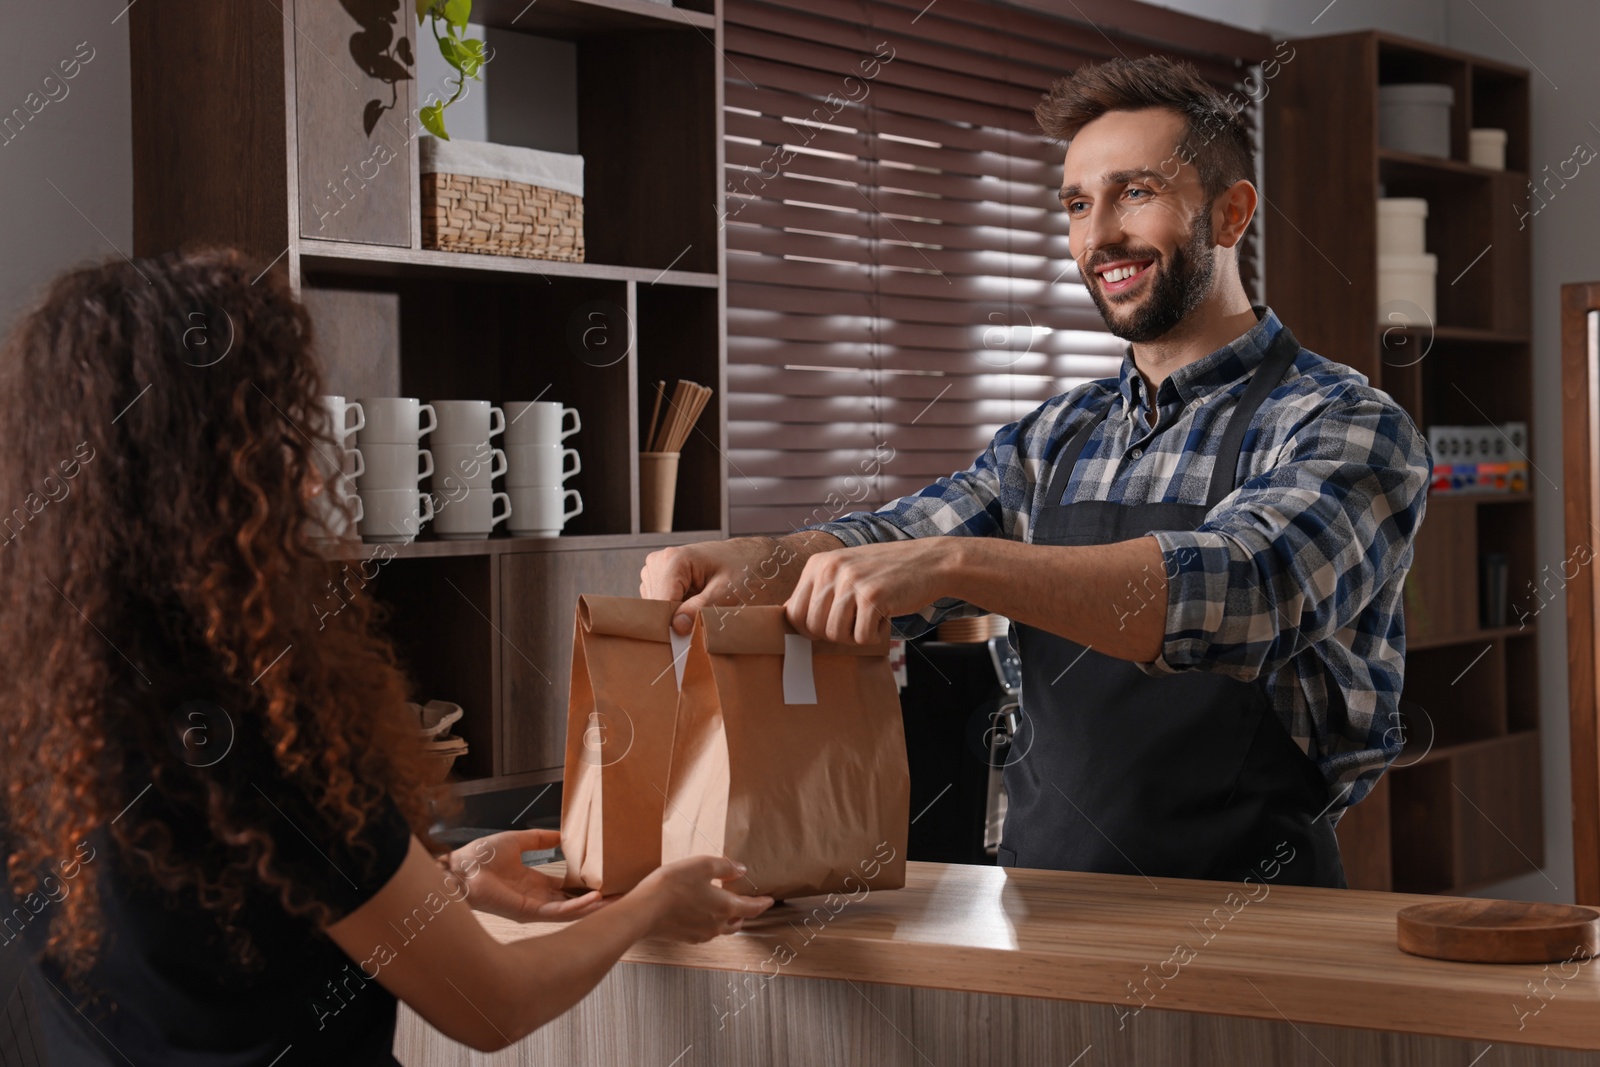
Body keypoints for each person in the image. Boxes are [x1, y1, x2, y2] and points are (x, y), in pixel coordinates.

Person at [642, 55, 1432, 889]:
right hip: (1041, 909)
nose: (1099, 238)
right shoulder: (1056, 437)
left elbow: (1251, 589)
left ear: (1231, 214)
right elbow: (906, 538)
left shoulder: (1343, 422)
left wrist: (960, 567)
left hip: (1252, 923)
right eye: (1077, 204)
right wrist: (760, 561)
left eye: (1136, 193)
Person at [0, 249, 772, 1065]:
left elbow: (233, 924)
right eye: (283, 425)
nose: (304, 467)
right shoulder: (265, 728)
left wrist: (449, 872)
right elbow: (492, 1004)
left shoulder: (46, 713)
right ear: (225, 469)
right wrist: (652, 905)